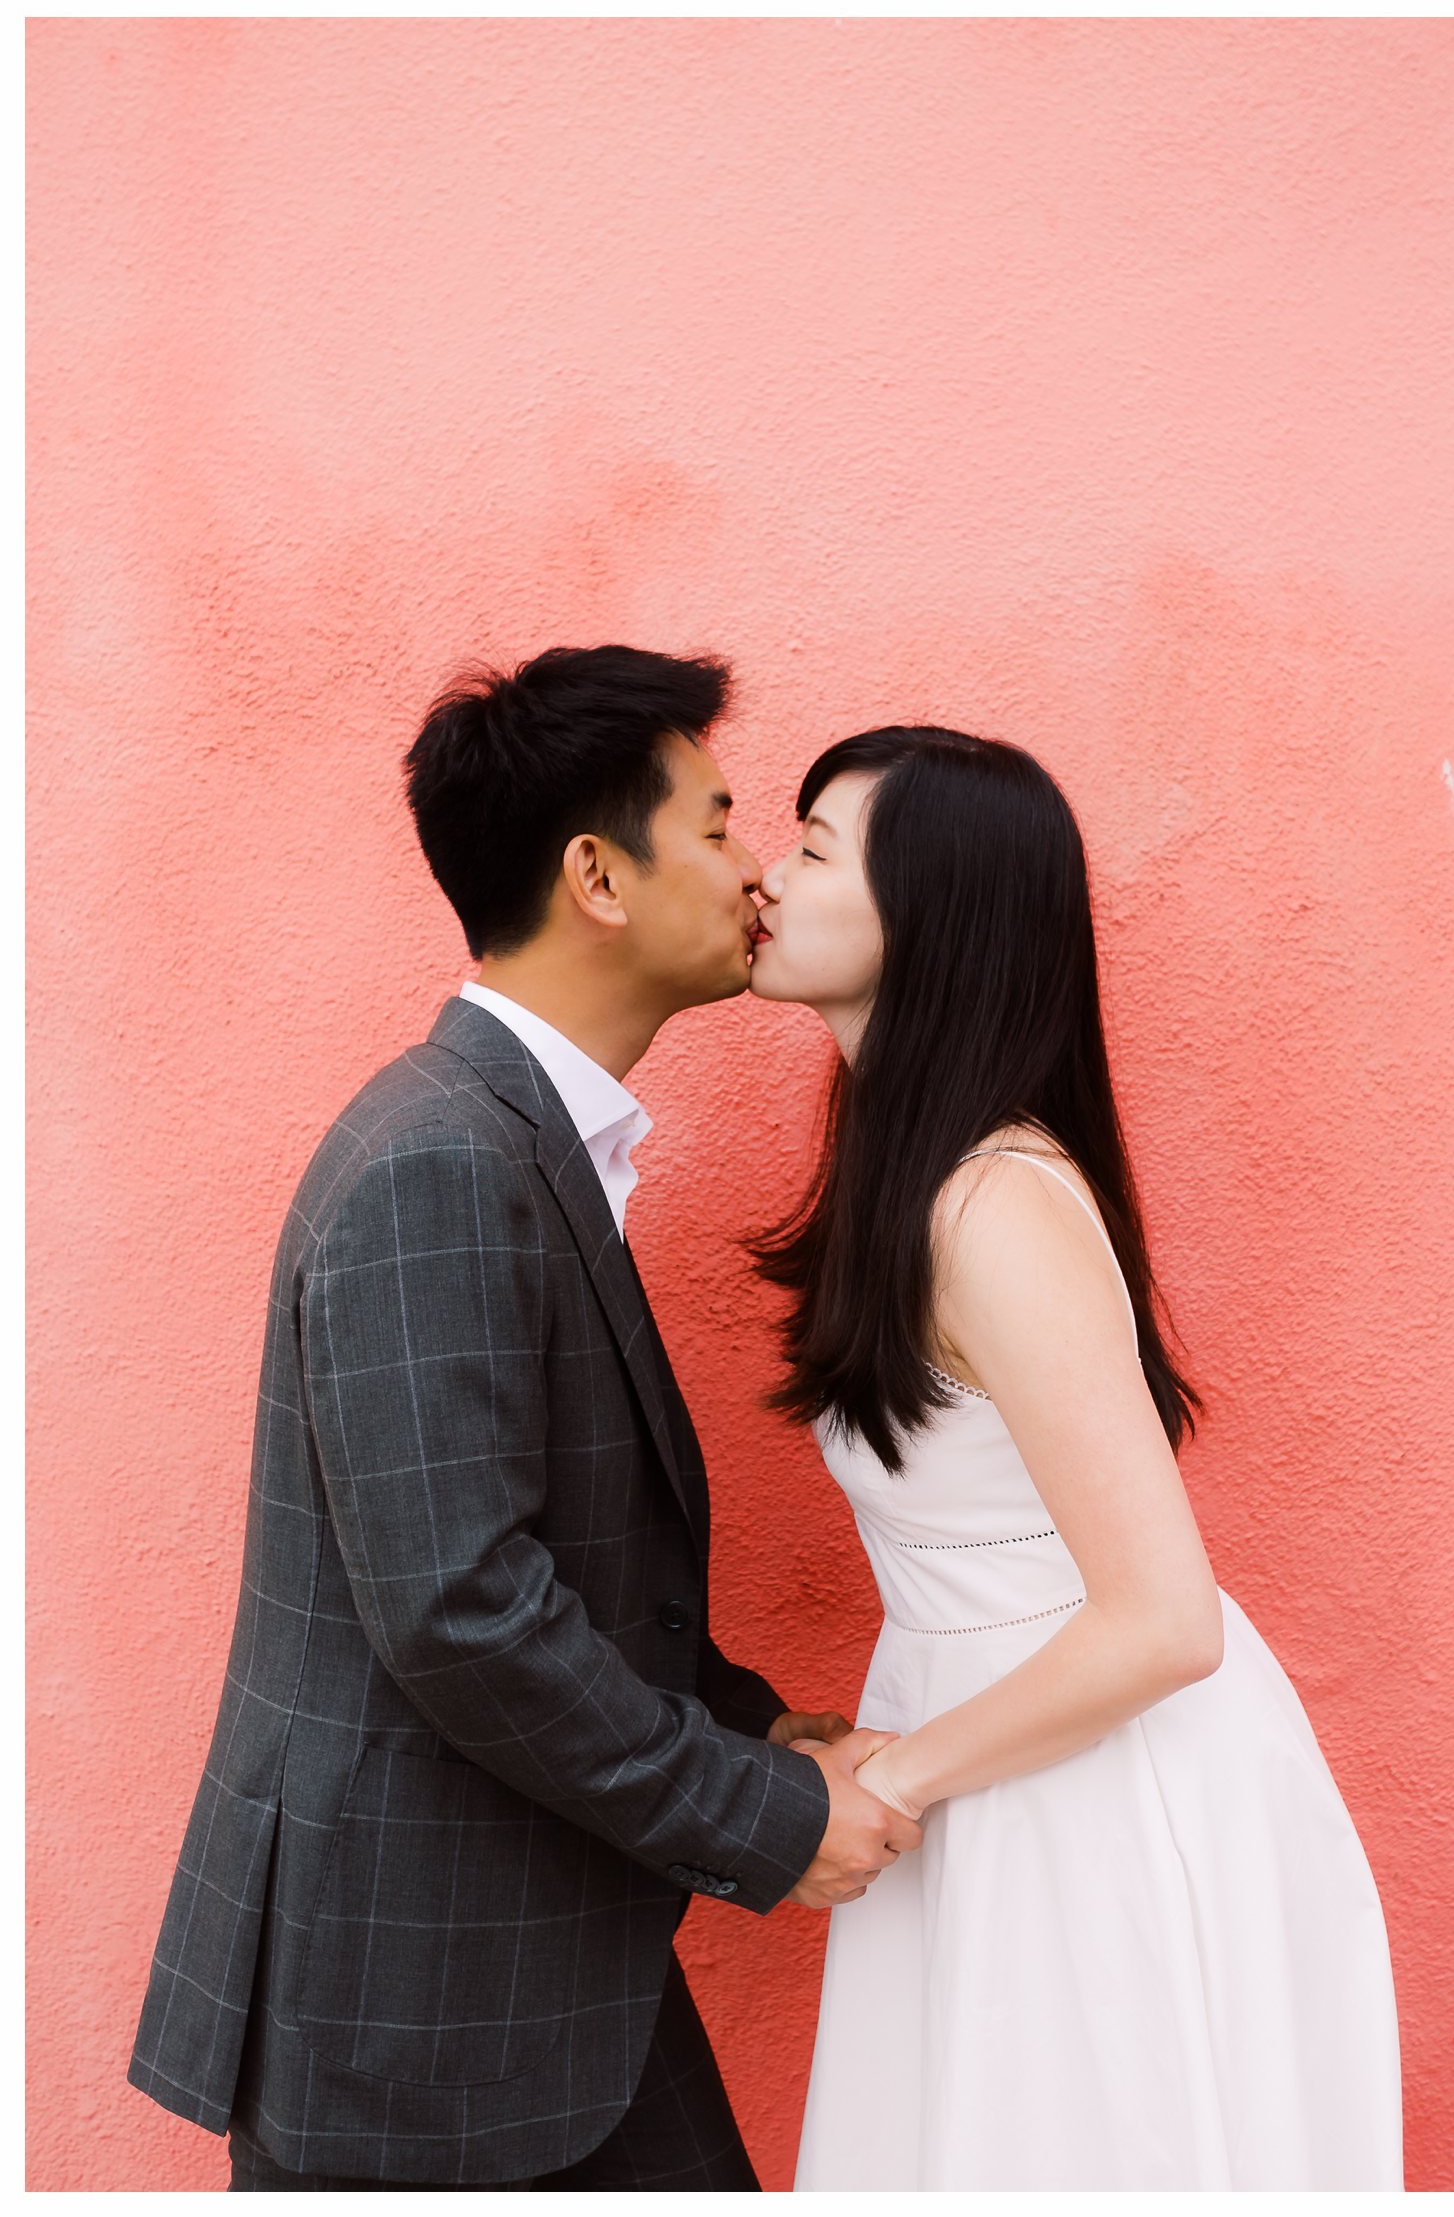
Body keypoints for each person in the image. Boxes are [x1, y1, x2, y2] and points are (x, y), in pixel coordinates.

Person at [127, 645, 922, 2192]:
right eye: (715, 822)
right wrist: (762, 1813)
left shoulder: (515, 1140)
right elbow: (464, 1609)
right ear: (596, 876)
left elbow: (538, 1555)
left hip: (522, 1979)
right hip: (417, 2008)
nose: (753, 866)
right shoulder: (441, 1160)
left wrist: (753, 1714)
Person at [747, 724, 1404, 2192]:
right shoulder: (913, 1183)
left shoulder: (991, 1203)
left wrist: (891, 1783)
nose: (764, 877)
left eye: (809, 846)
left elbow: (1164, 1620)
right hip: (998, 1756)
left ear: (929, 914)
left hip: (1083, 1789)